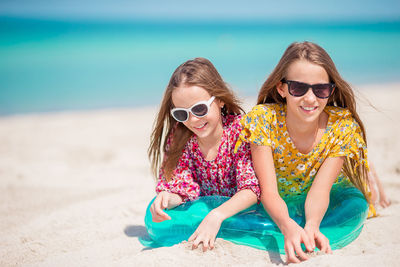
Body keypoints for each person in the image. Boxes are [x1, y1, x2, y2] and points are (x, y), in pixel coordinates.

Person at [235, 41, 376, 263]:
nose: (310, 98)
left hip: (329, 191)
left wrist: (312, 225)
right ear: (281, 89)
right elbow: (268, 191)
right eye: (298, 88)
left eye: (320, 89)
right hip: (280, 195)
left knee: (371, 195)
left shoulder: (342, 128)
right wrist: (286, 225)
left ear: (331, 91)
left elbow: (321, 191)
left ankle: (371, 176)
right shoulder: (264, 120)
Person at [147, 57, 260, 251]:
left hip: (242, 214)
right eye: (181, 114)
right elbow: (183, 188)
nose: (193, 120)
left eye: (199, 109)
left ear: (220, 100)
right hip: (204, 213)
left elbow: (251, 189)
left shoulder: (241, 132)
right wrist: (167, 198)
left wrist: (216, 215)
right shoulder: (180, 137)